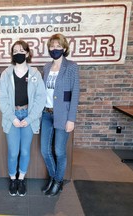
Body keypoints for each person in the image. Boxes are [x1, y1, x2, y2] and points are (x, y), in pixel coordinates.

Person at [0, 40, 46, 196]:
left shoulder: (35, 74)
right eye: (15, 50)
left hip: (28, 117)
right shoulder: (6, 74)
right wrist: (12, 118)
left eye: (21, 50)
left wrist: (30, 118)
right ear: (12, 54)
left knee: (25, 151)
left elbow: (41, 98)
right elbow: (2, 98)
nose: (18, 52)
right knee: (13, 152)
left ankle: (21, 178)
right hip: (12, 117)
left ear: (27, 53)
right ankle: (13, 179)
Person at [40, 33, 80, 197]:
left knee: (59, 151)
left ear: (64, 48)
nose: (54, 49)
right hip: (46, 114)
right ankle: (54, 177)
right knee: (44, 150)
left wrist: (71, 119)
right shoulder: (46, 67)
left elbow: (75, 93)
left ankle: (58, 182)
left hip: (63, 115)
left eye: (58, 46)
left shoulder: (71, 66)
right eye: (52, 46)